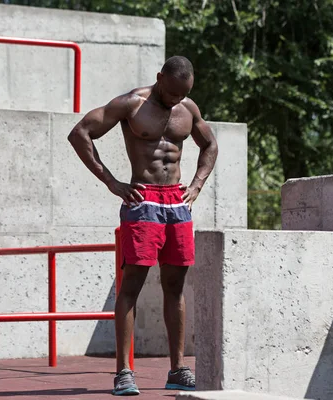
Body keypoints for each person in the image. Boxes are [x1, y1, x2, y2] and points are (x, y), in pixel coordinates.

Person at [67, 55, 218, 396]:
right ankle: (123, 372)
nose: (175, 101)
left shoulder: (188, 109)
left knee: (176, 285)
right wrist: (111, 181)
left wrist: (196, 184)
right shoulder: (131, 104)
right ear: (159, 77)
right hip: (142, 200)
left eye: (183, 95)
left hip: (177, 204)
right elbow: (80, 133)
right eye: (172, 93)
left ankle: (178, 369)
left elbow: (209, 144)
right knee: (132, 283)